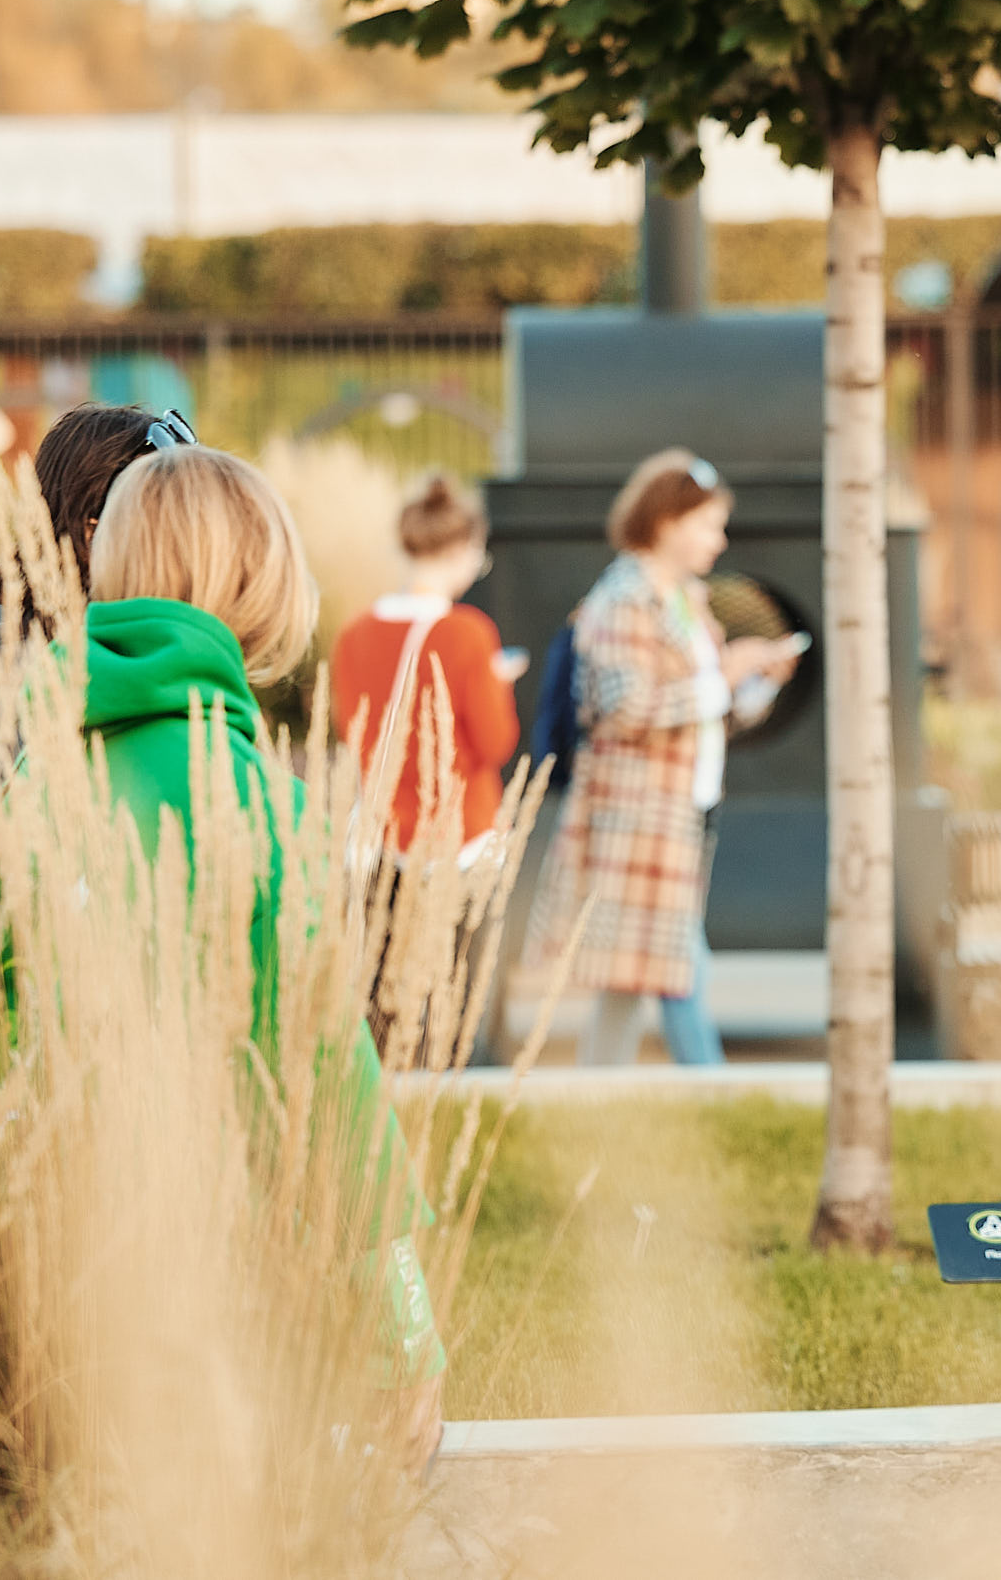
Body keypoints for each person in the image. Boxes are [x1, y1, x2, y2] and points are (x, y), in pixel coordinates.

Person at [80, 443, 447, 1437]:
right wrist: (403, 1343)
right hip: (214, 1329)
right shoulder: (255, 804)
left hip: (43, 1308)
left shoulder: (20, 771)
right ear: (262, 589)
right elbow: (331, 1089)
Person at [522, 450, 800, 1067]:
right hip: (637, 816)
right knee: (680, 971)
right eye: (708, 525)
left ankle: (597, 1095)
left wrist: (758, 682)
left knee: (635, 978)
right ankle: (711, 1091)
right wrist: (726, 676)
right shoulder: (624, 600)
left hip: (680, 812)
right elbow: (625, 708)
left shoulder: (684, 599)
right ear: (668, 522)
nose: (719, 540)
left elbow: (707, 711)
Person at [0, 404, 198, 815]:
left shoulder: (135, 656)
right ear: (93, 532)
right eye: (163, 523)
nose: (185, 549)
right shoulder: (18, 679)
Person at [329, 473, 524, 858]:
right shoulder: (469, 632)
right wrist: (498, 684)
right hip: (459, 836)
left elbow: (351, 733)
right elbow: (495, 742)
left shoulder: (353, 634)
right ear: (463, 550)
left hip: (383, 836)